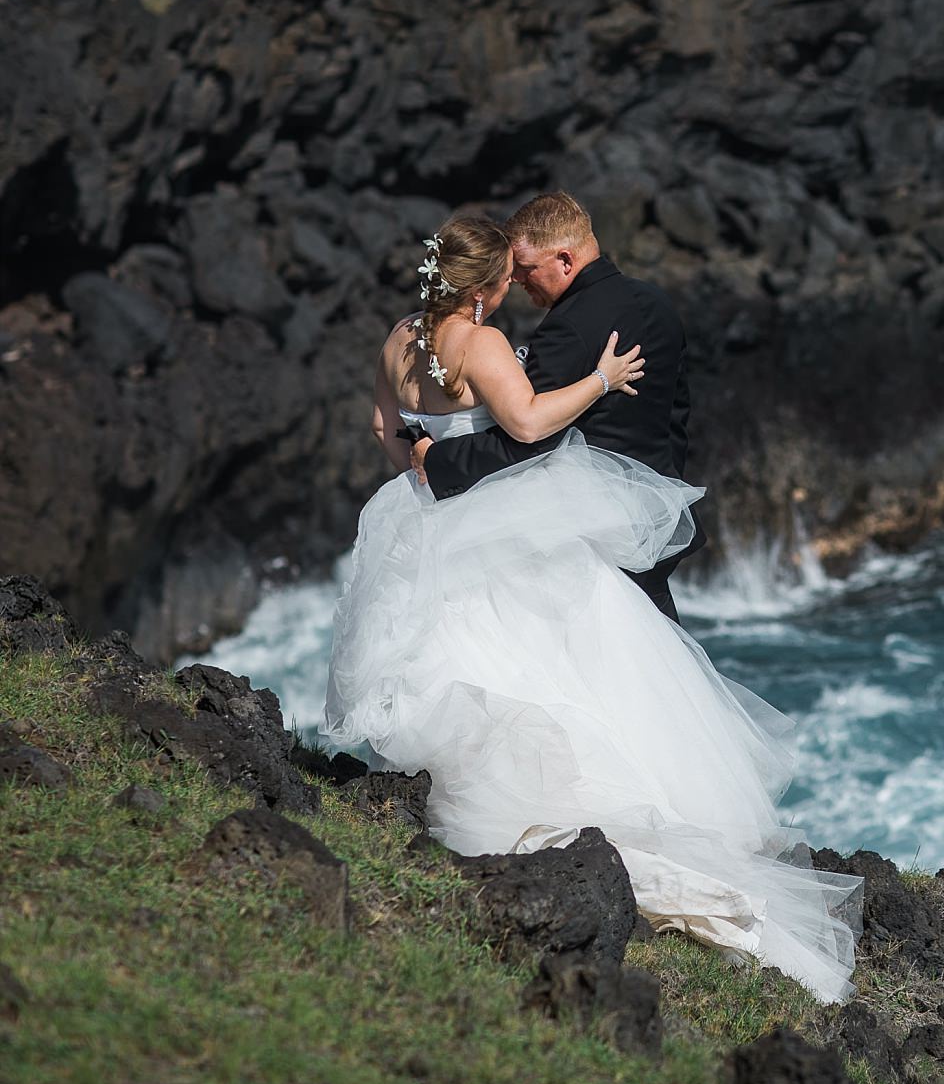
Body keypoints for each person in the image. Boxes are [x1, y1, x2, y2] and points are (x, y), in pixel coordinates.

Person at [325, 211, 863, 1004]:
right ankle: (579, 821)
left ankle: (435, 794)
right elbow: (530, 423)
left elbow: (384, 426)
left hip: (416, 516)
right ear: (486, 286)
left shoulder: (399, 339)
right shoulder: (485, 345)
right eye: (508, 278)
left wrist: (418, 466)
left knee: (439, 653)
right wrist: (602, 382)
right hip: (484, 522)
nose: (517, 289)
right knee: (554, 660)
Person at [411, 191, 703, 621]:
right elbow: (676, 415)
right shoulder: (658, 304)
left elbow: (529, 439)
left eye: (526, 269)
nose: (516, 281)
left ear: (565, 261)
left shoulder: (568, 328)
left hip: (589, 534)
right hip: (656, 517)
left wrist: (437, 459)